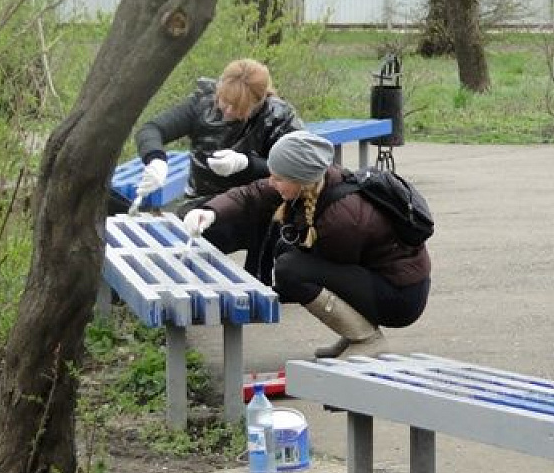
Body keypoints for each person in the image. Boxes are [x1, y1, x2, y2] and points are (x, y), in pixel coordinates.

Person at [183, 131, 430, 358]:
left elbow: (325, 277)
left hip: (400, 298)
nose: (271, 183)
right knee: (288, 258)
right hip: (379, 278)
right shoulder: (315, 182)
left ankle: (366, 339)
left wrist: (278, 282)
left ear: (300, 179)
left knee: (291, 270)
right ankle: (354, 333)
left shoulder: (341, 219)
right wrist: (209, 212)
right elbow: (252, 194)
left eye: (278, 178)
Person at [115, 58, 305, 272]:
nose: (228, 111)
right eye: (224, 102)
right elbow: (152, 129)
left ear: (258, 102)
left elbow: (300, 168)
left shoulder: (278, 117)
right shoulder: (202, 103)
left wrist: (246, 163)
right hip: (203, 203)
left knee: (273, 230)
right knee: (183, 241)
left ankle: (260, 285)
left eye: (238, 108)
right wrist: (156, 159)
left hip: (258, 207)